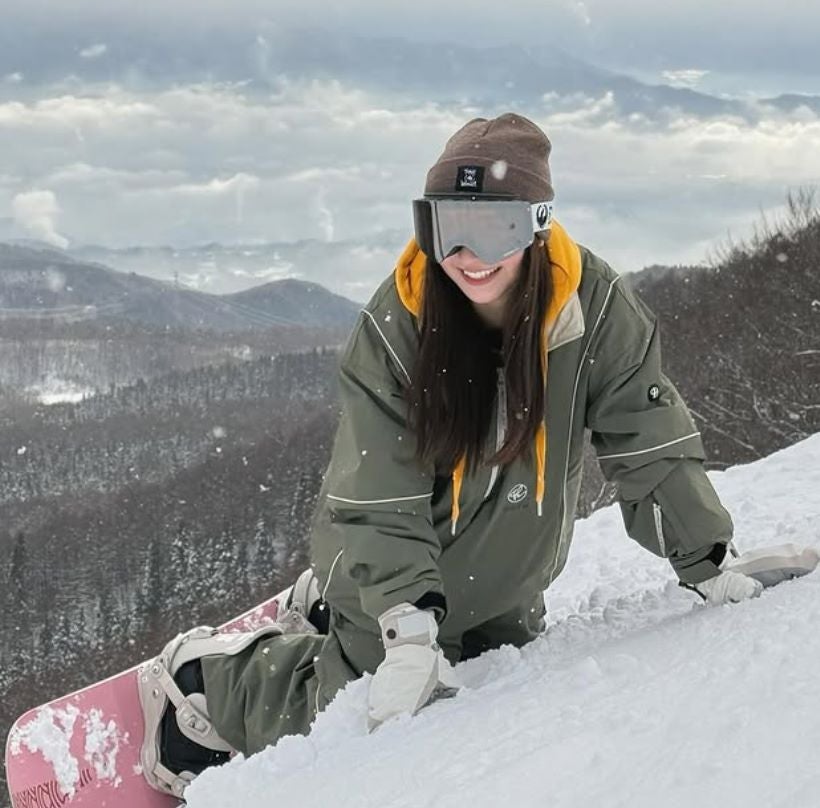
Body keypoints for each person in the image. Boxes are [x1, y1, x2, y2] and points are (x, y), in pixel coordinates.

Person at [137, 113, 817, 798]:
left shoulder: (594, 308)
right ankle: (207, 681)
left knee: (496, 680)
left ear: (537, 225)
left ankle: (333, 616)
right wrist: (404, 626)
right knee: (362, 709)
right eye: (446, 225)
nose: (468, 253)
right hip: (399, 558)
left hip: (509, 573)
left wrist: (708, 560)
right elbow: (377, 489)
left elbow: (651, 440)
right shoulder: (400, 322)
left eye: (496, 227)